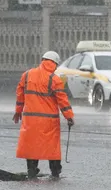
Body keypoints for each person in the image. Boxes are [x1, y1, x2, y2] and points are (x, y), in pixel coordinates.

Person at [12, 51, 75, 179]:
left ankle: (32, 170)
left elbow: (20, 94)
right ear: (55, 65)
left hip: (30, 119)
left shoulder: (27, 75)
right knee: (52, 147)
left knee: (31, 145)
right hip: (49, 121)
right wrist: (69, 116)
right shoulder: (54, 79)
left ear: (42, 60)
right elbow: (62, 100)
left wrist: (18, 111)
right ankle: (55, 172)